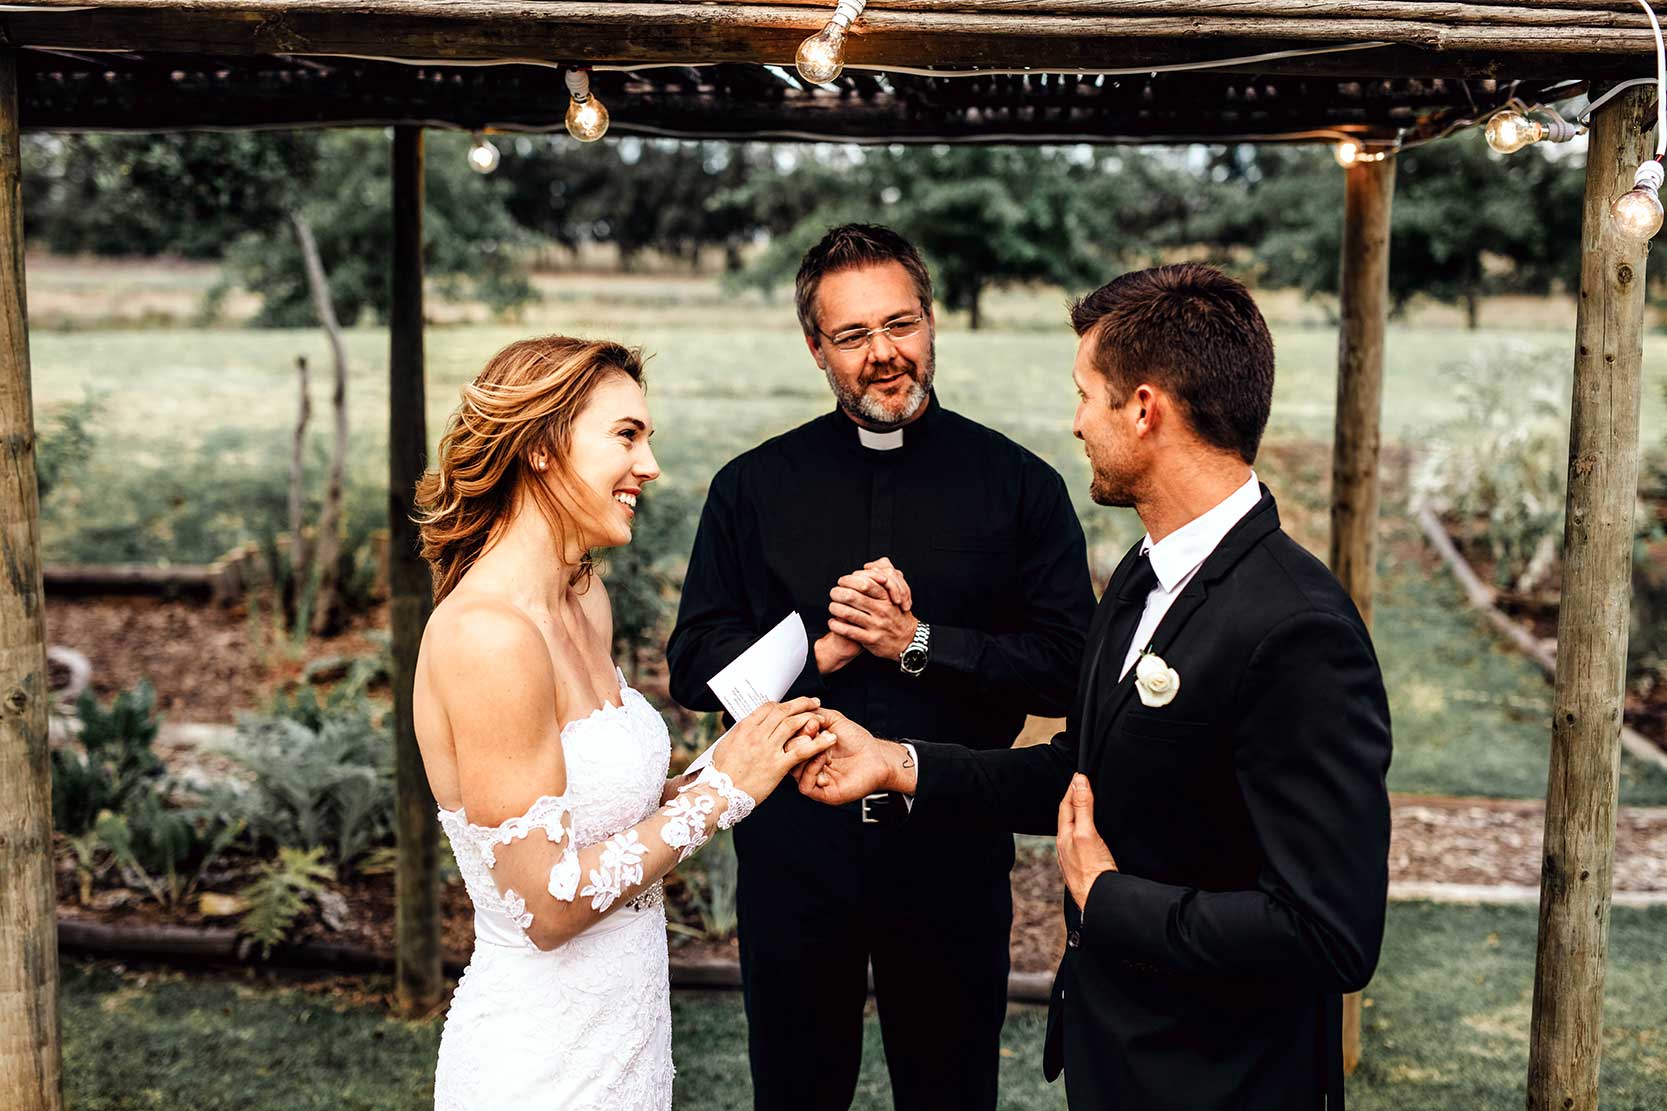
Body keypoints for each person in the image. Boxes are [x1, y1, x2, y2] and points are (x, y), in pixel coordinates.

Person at [797, 264, 1394, 1110]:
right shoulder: (1141, 576)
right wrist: (896, 762)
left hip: (1224, 1079)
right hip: (1118, 1059)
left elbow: (1328, 933)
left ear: (1143, 408)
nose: (1075, 422)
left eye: (1086, 394)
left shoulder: (1298, 629)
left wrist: (1110, 902)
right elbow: (1078, 773)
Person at [666, 224, 1094, 1110]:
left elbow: (1065, 669)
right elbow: (692, 666)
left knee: (949, 1091)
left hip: (950, 841)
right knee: (794, 1090)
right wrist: (817, 645)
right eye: (853, 336)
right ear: (815, 347)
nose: (882, 354)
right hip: (790, 851)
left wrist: (919, 641)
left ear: (932, 322)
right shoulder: (751, 488)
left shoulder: (1019, 487)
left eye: (899, 324)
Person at [409, 335, 835, 1111]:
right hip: (538, 1062)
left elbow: (602, 816)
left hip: (628, 1031)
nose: (650, 466)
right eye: (626, 435)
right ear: (541, 448)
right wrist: (719, 798)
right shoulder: (487, 636)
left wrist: (732, 760)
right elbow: (546, 903)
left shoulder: (582, 599)